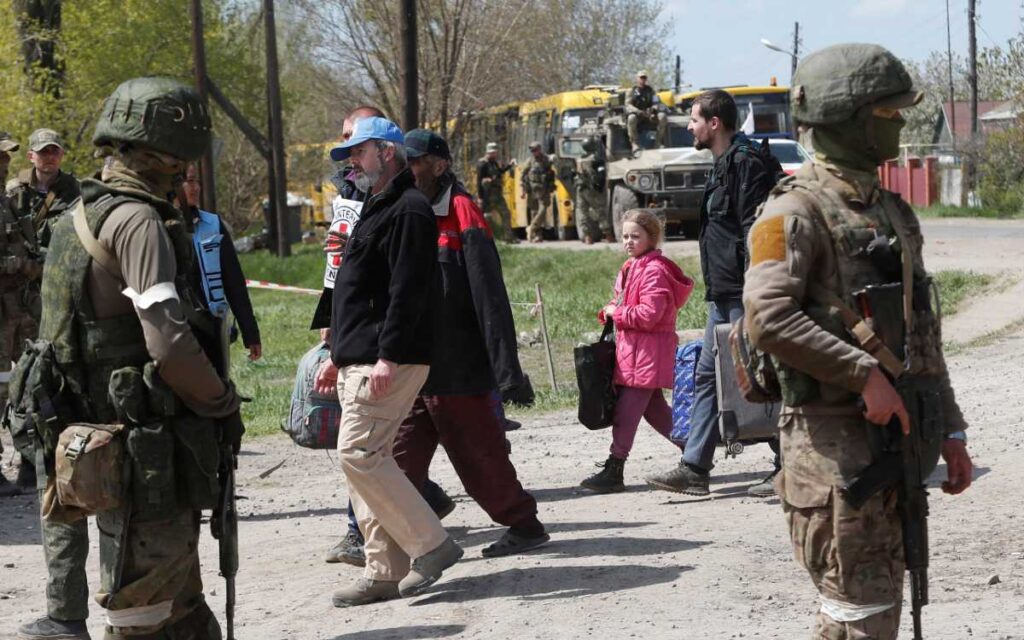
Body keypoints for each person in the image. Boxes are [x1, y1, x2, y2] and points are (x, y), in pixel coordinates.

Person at [743, 43, 974, 638]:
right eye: (886, 112)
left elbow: (923, 333)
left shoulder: (893, 212)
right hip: (833, 451)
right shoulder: (792, 214)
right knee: (858, 613)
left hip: (898, 441)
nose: (898, 123)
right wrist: (862, 373)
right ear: (847, 117)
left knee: (879, 607)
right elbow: (766, 317)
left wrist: (949, 430)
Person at [16, 77, 242, 640]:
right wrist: (219, 400)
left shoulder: (76, 213)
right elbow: (166, 341)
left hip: (91, 436)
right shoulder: (138, 221)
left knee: (179, 602)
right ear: (168, 152)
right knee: (144, 605)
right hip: (144, 442)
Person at [314, 116, 461, 607]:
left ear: (387, 152)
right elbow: (353, 288)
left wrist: (388, 357)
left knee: (359, 455)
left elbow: (407, 292)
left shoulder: (408, 209)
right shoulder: (377, 205)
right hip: (362, 355)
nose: (352, 161)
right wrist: (338, 354)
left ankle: (432, 545)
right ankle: (384, 570)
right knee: (366, 461)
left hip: (388, 358)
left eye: (359, 152)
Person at [399, 128, 548, 556]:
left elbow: (490, 298)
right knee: (394, 460)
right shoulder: (407, 211)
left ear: (439, 165)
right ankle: (393, 540)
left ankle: (524, 525)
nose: (408, 170)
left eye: (415, 161)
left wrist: (507, 371)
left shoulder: (463, 212)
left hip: (456, 369)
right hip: (410, 366)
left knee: (479, 459)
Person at [645, 89, 778, 498]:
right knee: (707, 375)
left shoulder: (746, 164)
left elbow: (757, 232)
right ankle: (695, 468)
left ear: (714, 124)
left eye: (694, 119)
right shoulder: (722, 165)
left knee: (759, 374)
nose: (689, 126)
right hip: (721, 294)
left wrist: (758, 289)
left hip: (745, 292)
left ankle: (789, 464)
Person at [580, 210, 694, 492]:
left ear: (651, 238)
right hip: (634, 353)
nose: (628, 241)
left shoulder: (655, 270)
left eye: (635, 236)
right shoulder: (631, 266)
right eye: (625, 236)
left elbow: (649, 314)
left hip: (649, 353)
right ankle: (696, 454)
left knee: (625, 413)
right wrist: (608, 311)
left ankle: (615, 468)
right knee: (656, 412)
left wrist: (616, 313)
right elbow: (621, 302)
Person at [180, 162, 262, 361]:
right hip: (176, 330)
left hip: (212, 328)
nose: (196, 187)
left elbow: (234, 282)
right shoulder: (156, 225)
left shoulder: (213, 225)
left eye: (197, 181)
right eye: (190, 181)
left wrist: (250, 333)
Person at [0, 130, 36, 498]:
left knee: (29, 382)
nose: (5, 161)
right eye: (0, 155)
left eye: (8, 155)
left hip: (21, 306)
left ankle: (29, 461)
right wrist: (17, 264)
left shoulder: (10, 199)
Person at [6, 128, 81, 247]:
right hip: (23, 261)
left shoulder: (77, 189)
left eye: (55, 151)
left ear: (62, 155)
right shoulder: (13, 189)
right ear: (31, 156)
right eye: (43, 151)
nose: (50, 156)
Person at [574, 135, 612, 244]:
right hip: (592, 189)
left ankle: (587, 237)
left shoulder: (579, 159)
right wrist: (600, 187)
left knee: (582, 212)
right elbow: (601, 175)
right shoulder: (596, 159)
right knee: (600, 211)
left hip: (580, 189)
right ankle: (608, 234)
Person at [475, 142, 516, 242]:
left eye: (495, 153)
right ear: (487, 152)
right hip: (487, 196)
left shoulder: (494, 162)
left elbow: (499, 172)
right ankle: (484, 238)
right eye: (492, 153)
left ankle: (508, 237)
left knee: (506, 213)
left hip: (497, 194)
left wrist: (509, 166)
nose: (494, 154)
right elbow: (479, 181)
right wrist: (480, 197)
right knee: (486, 216)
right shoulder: (482, 164)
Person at [519, 142, 555, 243]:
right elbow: (522, 176)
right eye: (532, 151)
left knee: (542, 210)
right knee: (534, 212)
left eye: (536, 150)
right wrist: (523, 190)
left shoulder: (546, 159)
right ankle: (536, 235)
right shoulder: (529, 161)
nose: (534, 152)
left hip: (544, 189)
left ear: (540, 149)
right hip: (532, 191)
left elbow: (554, 166)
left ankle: (531, 228)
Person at [625, 71, 667, 153]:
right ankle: (634, 143)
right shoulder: (631, 91)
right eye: (641, 78)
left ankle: (658, 142)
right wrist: (638, 111)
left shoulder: (650, 91)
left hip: (649, 115)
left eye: (644, 78)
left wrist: (652, 110)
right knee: (631, 118)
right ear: (637, 79)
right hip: (638, 115)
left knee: (662, 116)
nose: (643, 80)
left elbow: (656, 102)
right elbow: (628, 105)